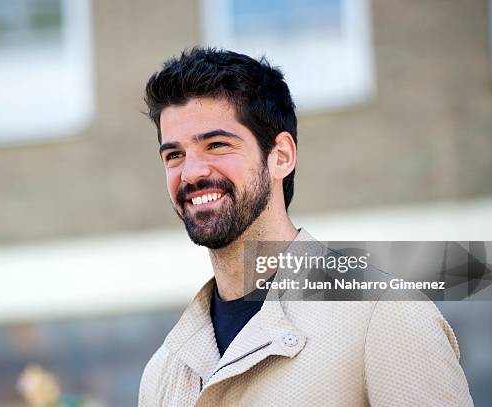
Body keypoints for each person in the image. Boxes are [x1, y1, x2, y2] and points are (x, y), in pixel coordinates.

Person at [138, 47, 473, 406]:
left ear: (280, 156)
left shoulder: (383, 314)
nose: (191, 172)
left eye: (217, 145)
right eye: (174, 155)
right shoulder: (164, 373)